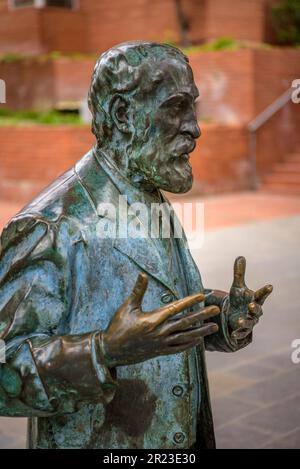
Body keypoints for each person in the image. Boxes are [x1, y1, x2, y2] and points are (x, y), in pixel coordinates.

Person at [0, 41, 272, 449]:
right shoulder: (49, 225)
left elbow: (154, 307)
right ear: (124, 115)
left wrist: (218, 315)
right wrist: (104, 351)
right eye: (176, 107)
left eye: (192, 107)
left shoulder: (146, 191)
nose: (195, 127)